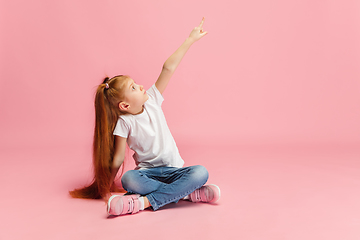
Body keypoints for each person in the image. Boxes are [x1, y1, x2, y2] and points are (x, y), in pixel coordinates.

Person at [70, 17, 220, 216]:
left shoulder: (153, 100)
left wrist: (190, 40)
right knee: (128, 180)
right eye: (133, 87)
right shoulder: (124, 122)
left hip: (174, 171)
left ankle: (143, 203)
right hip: (147, 174)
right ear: (124, 105)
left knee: (201, 172)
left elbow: (168, 68)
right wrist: (105, 187)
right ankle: (185, 194)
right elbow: (118, 158)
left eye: (136, 83)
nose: (140, 86)